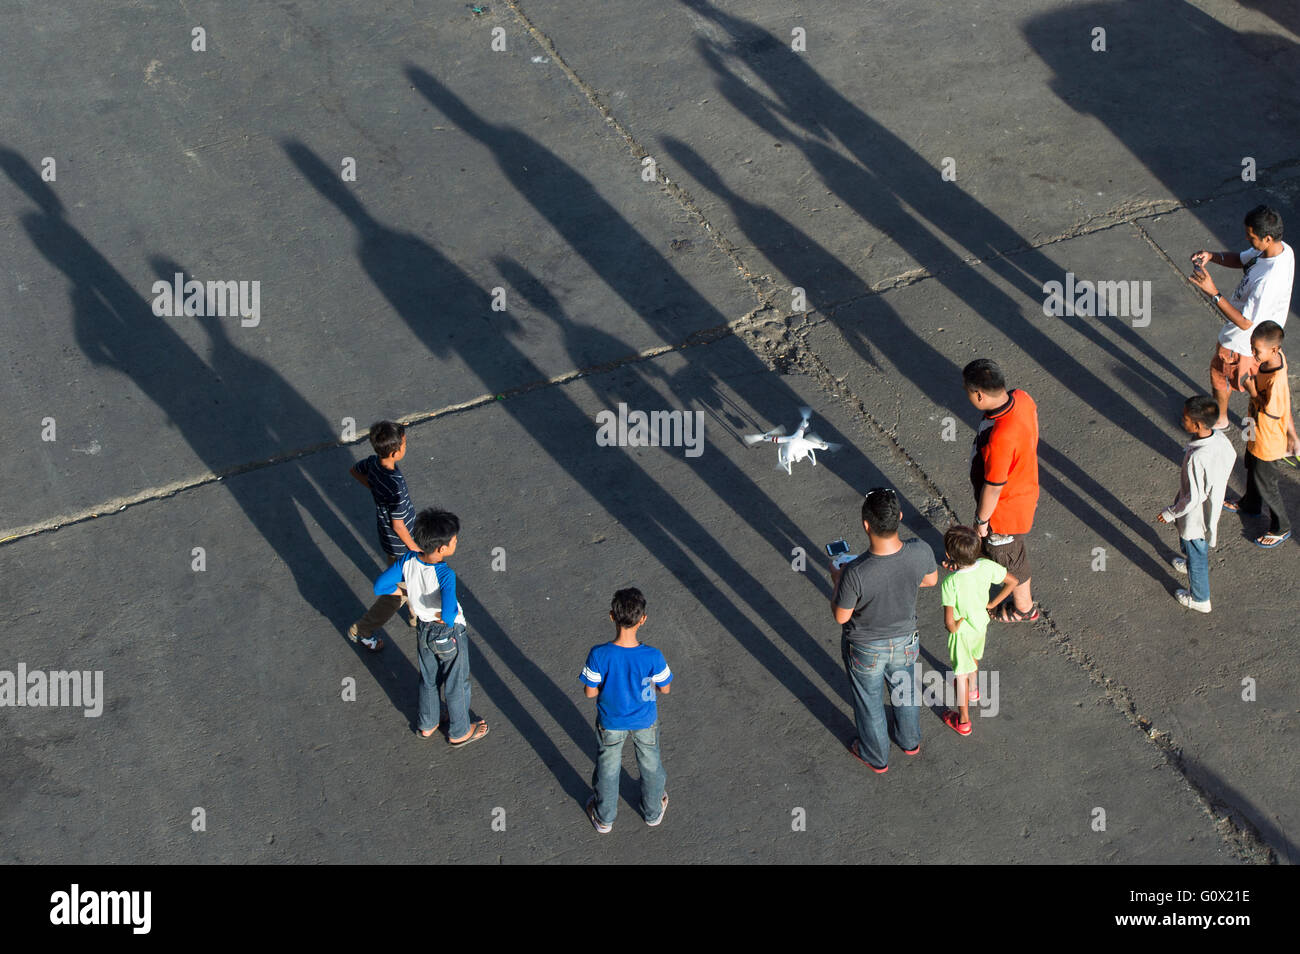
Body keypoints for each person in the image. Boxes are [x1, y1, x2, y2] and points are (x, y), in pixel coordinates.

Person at [831, 488, 938, 773]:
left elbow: (841, 616)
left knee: (870, 703)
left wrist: (836, 580)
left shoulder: (855, 572)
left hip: (865, 648)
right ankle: (909, 740)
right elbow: (930, 581)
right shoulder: (920, 550)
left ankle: (876, 756)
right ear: (900, 518)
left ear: (866, 525)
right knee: (905, 691)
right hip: (906, 641)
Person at [375, 509, 489, 746]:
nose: (456, 542)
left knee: (429, 679)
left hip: (424, 629)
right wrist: (442, 616)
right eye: (454, 540)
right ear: (441, 549)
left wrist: (405, 592)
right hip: (448, 633)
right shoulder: (445, 574)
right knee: (456, 682)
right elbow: (448, 614)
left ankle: (428, 724)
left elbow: (380, 587)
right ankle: (459, 731)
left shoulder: (407, 560)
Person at [1190, 205, 1295, 430]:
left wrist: (1213, 292)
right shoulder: (1280, 249)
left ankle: (1223, 420)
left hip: (1240, 341)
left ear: (1267, 237)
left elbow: (1245, 322)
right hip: (1265, 339)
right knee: (1260, 383)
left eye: (1251, 236)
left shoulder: (1268, 280)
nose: (1247, 239)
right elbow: (1240, 259)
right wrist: (1212, 256)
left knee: (1220, 374)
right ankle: (1281, 428)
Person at [579, 588, 672, 832]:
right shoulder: (653, 655)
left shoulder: (599, 654)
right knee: (650, 764)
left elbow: (590, 692)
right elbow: (666, 688)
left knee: (608, 768)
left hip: (611, 721)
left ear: (612, 616)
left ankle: (604, 818)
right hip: (645, 720)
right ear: (643, 619)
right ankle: (653, 812)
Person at [963, 359, 1040, 622]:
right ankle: (979, 559)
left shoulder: (1001, 438)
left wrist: (981, 521)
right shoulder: (1022, 398)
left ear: (979, 394)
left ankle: (1024, 609)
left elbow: (994, 487)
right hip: (1024, 489)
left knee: (1010, 557)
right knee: (998, 549)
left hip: (1004, 513)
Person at [1157, 396, 1236, 612]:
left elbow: (1193, 498)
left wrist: (1171, 513)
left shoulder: (1198, 458)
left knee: (1195, 548)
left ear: (1198, 424)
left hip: (1195, 513)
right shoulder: (1220, 439)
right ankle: (1190, 565)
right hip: (1210, 503)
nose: (1182, 421)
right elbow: (1231, 456)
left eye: (1185, 418)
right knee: (1194, 546)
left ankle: (1200, 599)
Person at [1223, 321, 1299, 547]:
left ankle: (1281, 527)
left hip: (1267, 439)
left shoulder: (1276, 380)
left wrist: (1251, 387)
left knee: (1267, 483)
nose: (1253, 354)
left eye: (1257, 350)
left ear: (1274, 349)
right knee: (1251, 467)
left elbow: (1271, 409)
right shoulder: (1276, 358)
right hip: (1253, 429)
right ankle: (1250, 505)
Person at [347, 420, 420, 652]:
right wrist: (414, 548)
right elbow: (399, 525)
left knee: (411, 582)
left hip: (389, 539)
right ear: (395, 451)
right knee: (396, 594)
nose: (406, 447)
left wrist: (375, 489)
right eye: (405, 444)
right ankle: (362, 630)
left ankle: (416, 616)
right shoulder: (395, 485)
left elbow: (354, 471)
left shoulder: (374, 463)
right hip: (402, 544)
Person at [940, 525, 1016, 735]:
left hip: (962, 632)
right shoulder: (986, 565)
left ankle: (963, 720)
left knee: (960, 674)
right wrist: (993, 604)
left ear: (949, 555)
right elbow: (1012, 582)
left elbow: (950, 624)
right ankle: (973, 691)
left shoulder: (950, 582)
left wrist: (956, 623)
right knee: (974, 658)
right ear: (978, 546)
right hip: (980, 624)